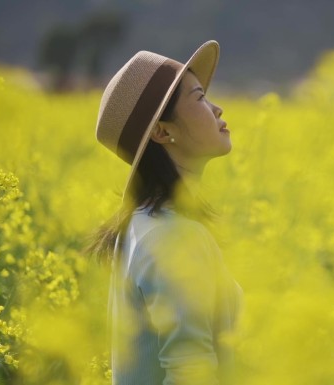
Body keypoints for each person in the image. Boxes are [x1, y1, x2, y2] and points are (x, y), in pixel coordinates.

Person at [88, 40, 243, 384]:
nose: (216, 108)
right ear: (162, 131)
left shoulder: (143, 224)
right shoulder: (174, 237)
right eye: (200, 98)